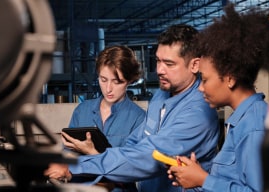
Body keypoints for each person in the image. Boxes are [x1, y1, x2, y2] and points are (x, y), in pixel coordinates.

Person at [44, 24, 220, 192]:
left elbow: (149, 156)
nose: (159, 70)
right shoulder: (162, 94)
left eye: (169, 64)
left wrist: (79, 166)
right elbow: (135, 144)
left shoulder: (198, 113)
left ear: (195, 65)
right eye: (158, 61)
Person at [167, 4, 269, 192]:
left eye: (205, 79)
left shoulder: (253, 127)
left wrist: (203, 180)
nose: (200, 88)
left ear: (230, 78)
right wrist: (194, 176)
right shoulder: (244, 121)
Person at [59, 45, 146, 191]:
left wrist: (91, 153)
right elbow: (67, 156)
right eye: (103, 79)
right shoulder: (82, 111)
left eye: (117, 82)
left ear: (130, 80)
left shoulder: (139, 119)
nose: (108, 88)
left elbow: (131, 169)